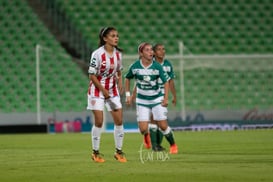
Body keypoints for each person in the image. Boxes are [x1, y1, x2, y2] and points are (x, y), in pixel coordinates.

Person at [125, 42, 178, 154]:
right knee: (143, 129)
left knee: (163, 125)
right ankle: (147, 137)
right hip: (142, 100)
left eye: (151, 50)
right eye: (147, 50)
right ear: (141, 53)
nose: (151, 52)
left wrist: (165, 98)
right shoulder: (135, 66)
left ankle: (173, 145)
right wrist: (129, 95)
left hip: (156, 99)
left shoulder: (157, 66)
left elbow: (166, 82)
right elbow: (127, 78)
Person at [87, 27, 127, 163]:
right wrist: (103, 90)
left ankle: (119, 152)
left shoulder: (118, 55)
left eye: (117, 35)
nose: (116, 38)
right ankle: (95, 153)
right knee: (99, 121)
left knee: (119, 121)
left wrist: (120, 82)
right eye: (113, 36)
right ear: (105, 38)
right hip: (97, 90)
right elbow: (91, 75)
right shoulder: (97, 54)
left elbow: (119, 71)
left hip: (112, 90)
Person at [149, 43, 177, 152]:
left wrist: (174, 95)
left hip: (162, 95)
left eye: (163, 49)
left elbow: (170, 82)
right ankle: (155, 146)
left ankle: (168, 145)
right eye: (159, 49)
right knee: (154, 119)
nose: (162, 51)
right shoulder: (150, 64)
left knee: (160, 121)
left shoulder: (168, 64)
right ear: (154, 53)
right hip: (151, 94)